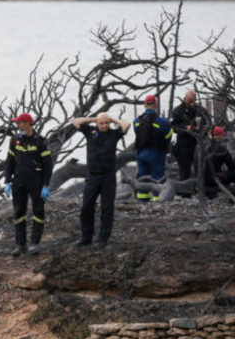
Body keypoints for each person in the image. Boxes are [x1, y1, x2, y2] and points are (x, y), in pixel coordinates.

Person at [71, 112, 131, 247]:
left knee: (107, 208)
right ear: (97, 124)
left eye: (106, 123)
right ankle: (86, 237)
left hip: (108, 177)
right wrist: (95, 118)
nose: (104, 125)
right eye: (101, 123)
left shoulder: (114, 134)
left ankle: (102, 239)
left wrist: (112, 119)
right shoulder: (90, 131)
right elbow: (75, 121)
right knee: (86, 208)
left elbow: (127, 124)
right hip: (92, 176)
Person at [3, 112, 52, 256]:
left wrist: (46, 185)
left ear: (28, 123)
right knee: (19, 212)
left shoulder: (40, 141)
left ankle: (34, 243)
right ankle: (20, 244)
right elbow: (9, 162)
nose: (17, 126)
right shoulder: (15, 140)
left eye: (19, 123)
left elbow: (48, 165)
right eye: (17, 123)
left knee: (38, 212)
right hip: (18, 181)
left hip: (36, 181)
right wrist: (7, 181)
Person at [132, 95, 172, 201]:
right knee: (158, 178)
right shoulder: (162, 121)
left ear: (145, 104)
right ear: (155, 104)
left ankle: (142, 202)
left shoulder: (136, 121)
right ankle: (158, 201)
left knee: (142, 178)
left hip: (141, 153)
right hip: (156, 153)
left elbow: (137, 134)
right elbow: (168, 136)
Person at [171, 90, 203, 180]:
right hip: (183, 143)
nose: (192, 103)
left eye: (193, 100)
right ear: (185, 98)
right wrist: (185, 128)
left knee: (199, 167)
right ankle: (185, 191)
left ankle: (199, 189)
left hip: (197, 142)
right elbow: (172, 126)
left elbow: (206, 121)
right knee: (184, 168)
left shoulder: (199, 110)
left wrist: (199, 127)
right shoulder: (177, 110)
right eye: (190, 101)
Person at [204, 126, 235, 190]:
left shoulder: (200, 146)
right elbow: (232, 166)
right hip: (213, 180)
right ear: (218, 136)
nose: (222, 138)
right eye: (221, 136)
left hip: (201, 178)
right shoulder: (221, 149)